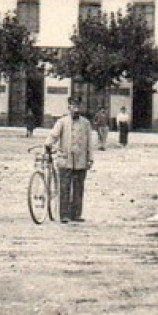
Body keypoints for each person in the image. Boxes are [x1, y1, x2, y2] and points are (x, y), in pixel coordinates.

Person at [46, 95, 94, 223]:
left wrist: (90, 159)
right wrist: (48, 144)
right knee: (65, 187)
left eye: (78, 106)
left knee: (78, 188)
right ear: (69, 107)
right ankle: (64, 215)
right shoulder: (62, 122)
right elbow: (53, 135)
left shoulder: (86, 123)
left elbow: (89, 142)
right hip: (65, 160)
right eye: (73, 106)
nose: (76, 109)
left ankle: (76, 214)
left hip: (81, 160)